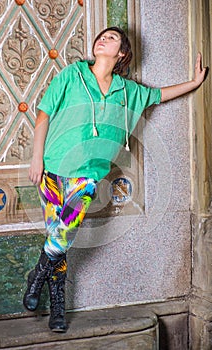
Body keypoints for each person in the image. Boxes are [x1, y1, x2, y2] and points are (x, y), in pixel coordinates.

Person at [23, 26, 207, 332]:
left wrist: (195, 82)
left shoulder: (128, 91)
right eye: (101, 36)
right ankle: (57, 306)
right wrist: (36, 157)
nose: (102, 40)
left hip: (88, 176)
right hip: (53, 168)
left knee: (63, 231)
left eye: (111, 38)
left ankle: (37, 276)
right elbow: (43, 115)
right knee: (60, 237)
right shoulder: (72, 75)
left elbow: (159, 95)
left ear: (121, 53)